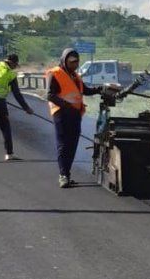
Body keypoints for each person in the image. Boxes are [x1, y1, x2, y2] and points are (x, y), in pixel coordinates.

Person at [47, 48, 113, 188]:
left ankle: (67, 174)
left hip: (75, 115)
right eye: (71, 62)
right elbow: (50, 95)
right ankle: (63, 175)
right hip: (62, 114)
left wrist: (100, 89)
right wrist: (66, 105)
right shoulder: (56, 74)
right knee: (63, 145)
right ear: (64, 60)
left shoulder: (75, 76)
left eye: (76, 62)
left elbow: (85, 90)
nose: (74, 64)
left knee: (72, 145)